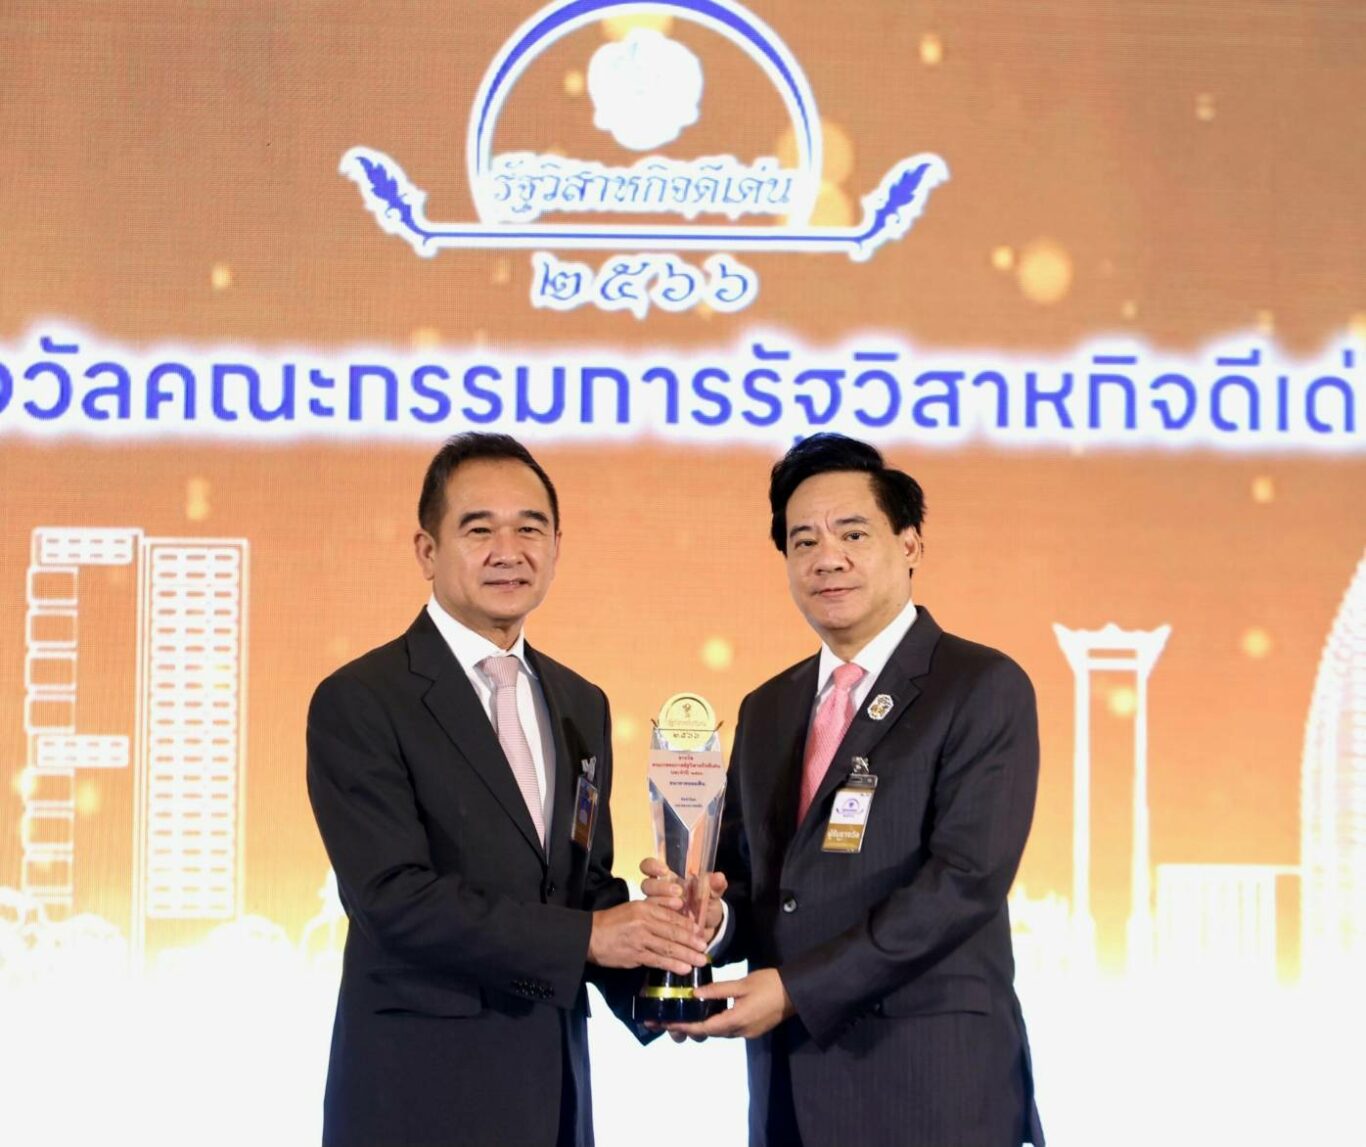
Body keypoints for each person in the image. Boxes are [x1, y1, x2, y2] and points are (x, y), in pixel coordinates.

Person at [307, 432, 707, 1147]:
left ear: (556, 545)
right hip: (417, 1100)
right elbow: (392, 898)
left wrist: (665, 955)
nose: (508, 550)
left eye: (529, 528)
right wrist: (590, 936)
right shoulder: (362, 698)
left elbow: (582, 891)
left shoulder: (580, 702)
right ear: (427, 550)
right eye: (479, 529)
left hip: (553, 1096)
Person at [661, 433, 1045, 1147]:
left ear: (910, 543)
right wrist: (710, 919)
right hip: (790, 1091)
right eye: (803, 541)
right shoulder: (767, 707)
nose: (826, 558)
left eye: (853, 533)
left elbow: (963, 882)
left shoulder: (979, 685)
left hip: (932, 1085)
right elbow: (754, 883)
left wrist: (796, 990)